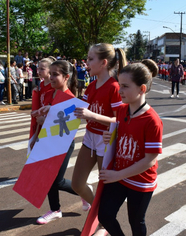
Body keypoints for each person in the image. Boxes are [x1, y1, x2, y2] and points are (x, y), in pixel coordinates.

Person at [99, 59, 163, 236]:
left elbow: (150, 160)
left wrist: (117, 175)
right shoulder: (121, 110)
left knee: (136, 222)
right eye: (120, 85)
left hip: (140, 181)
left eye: (125, 86)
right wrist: (109, 137)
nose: (120, 90)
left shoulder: (152, 121)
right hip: (119, 176)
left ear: (142, 89)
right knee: (105, 215)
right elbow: (120, 134)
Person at [72, 43, 127, 226]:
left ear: (103, 63)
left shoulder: (114, 87)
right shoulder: (92, 85)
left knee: (107, 190)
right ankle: (98, 207)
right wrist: (53, 109)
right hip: (89, 139)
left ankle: (103, 221)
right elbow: (80, 108)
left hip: (106, 142)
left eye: (90, 59)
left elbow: (120, 121)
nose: (86, 63)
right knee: (77, 184)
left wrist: (91, 115)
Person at [31, 60, 80, 224]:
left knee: (56, 180)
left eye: (55, 74)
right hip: (48, 140)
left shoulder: (69, 98)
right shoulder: (51, 93)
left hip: (63, 143)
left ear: (66, 77)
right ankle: (55, 209)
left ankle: (84, 192)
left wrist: (46, 120)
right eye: (50, 73)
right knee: (47, 177)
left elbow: (67, 127)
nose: (50, 78)